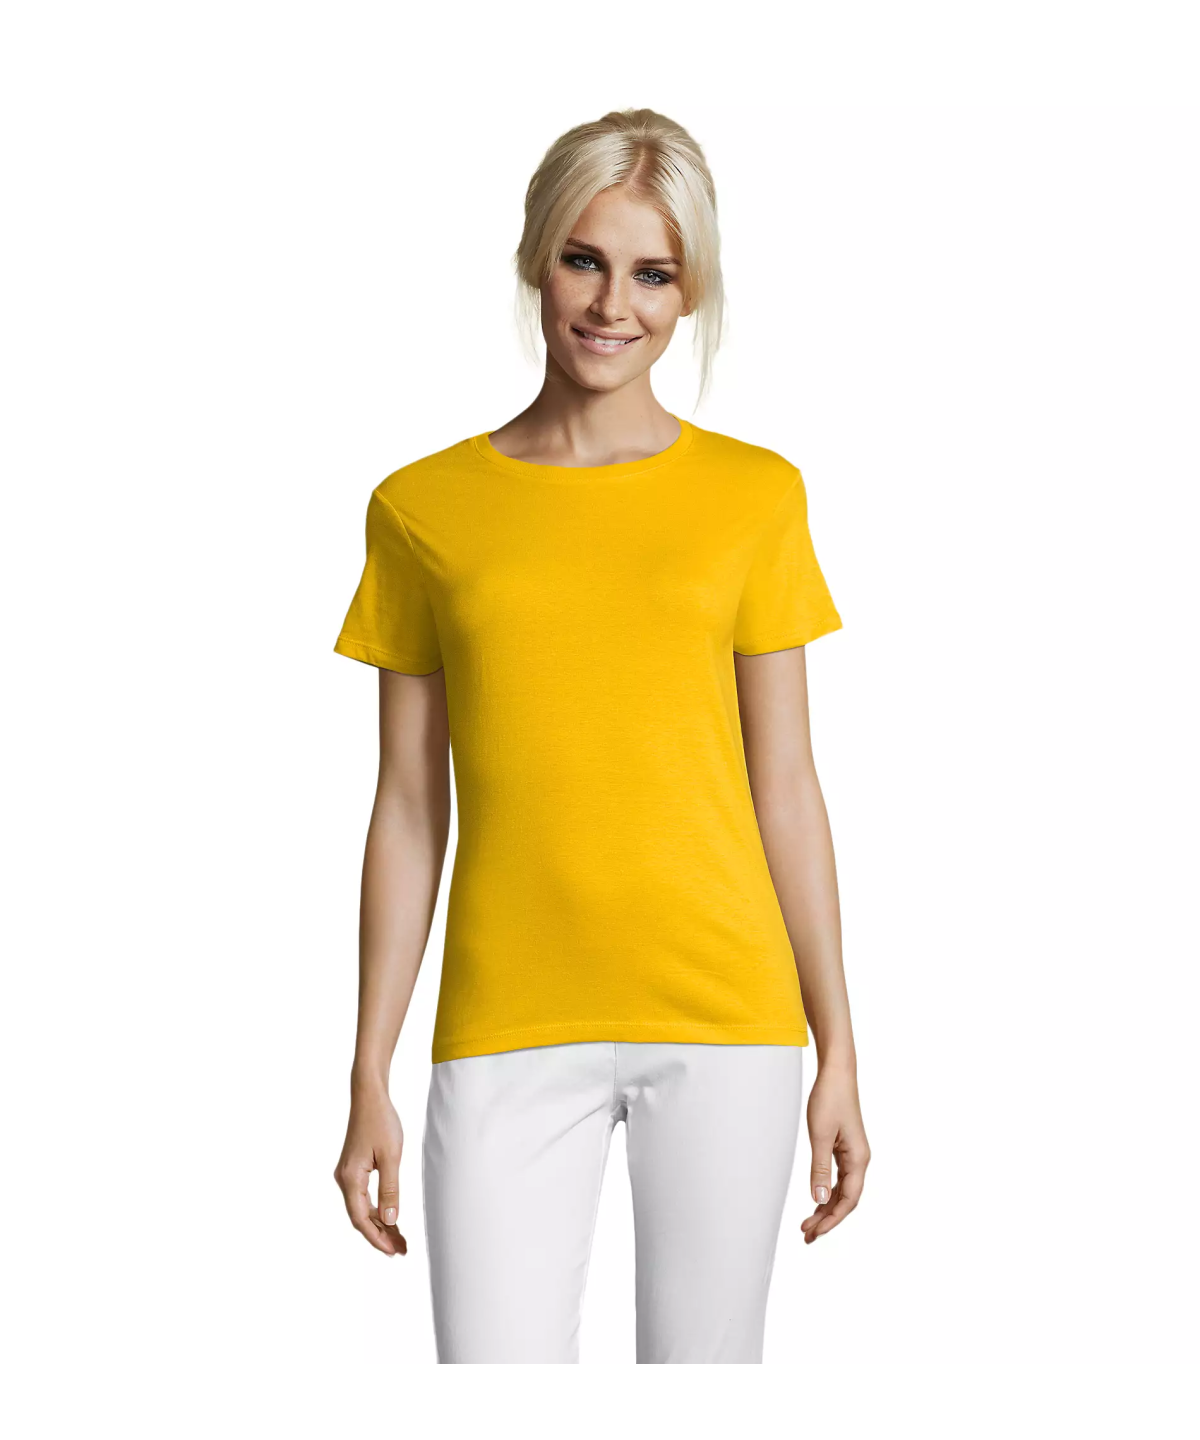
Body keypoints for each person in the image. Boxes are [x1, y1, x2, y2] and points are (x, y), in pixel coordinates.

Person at [332, 107, 870, 1365]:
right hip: (506, 1020)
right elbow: (407, 806)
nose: (612, 304)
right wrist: (368, 1068)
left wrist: (840, 1047)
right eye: (585, 259)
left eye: (653, 273)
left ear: (691, 293)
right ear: (537, 256)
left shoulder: (755, 496)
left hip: (726, 1017)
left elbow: (786, 785)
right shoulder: (423, 509)